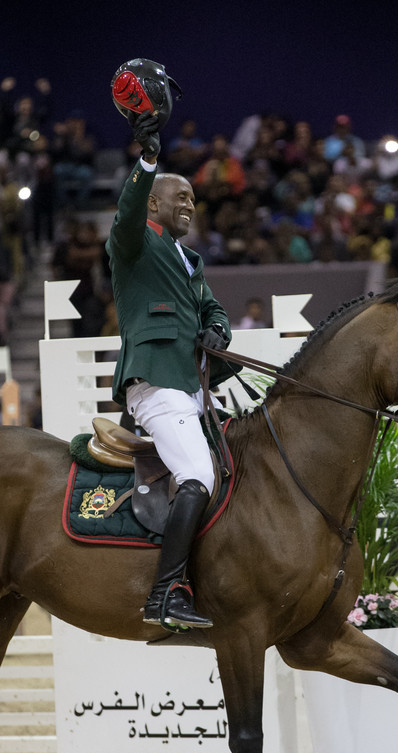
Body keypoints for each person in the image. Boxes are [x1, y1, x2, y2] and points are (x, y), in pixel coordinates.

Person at [107, 109, 237, 631]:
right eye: (180, 197)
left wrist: (218, 333)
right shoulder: (133, 244)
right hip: (157, 384)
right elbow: (127, 209)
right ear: (155, 203)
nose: (190, 205)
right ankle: (166, 593)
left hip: (194, 389)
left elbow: (213, 310)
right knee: (199, 475)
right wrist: (147, 160)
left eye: (192, 199)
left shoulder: (190, 261)